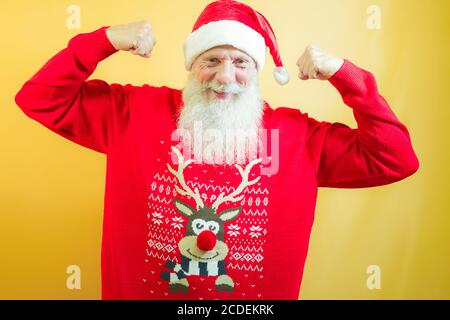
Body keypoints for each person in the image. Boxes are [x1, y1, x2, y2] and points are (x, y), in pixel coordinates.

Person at [15, 0, 419, 300]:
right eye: (212, 60)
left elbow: (395, 158)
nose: (226, 77)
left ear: (257, 71)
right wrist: (103, 41)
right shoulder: (134, 114)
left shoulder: (298, 137)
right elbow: (39, 98)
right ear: (192, 66)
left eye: (241, 62)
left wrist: (345, 74)